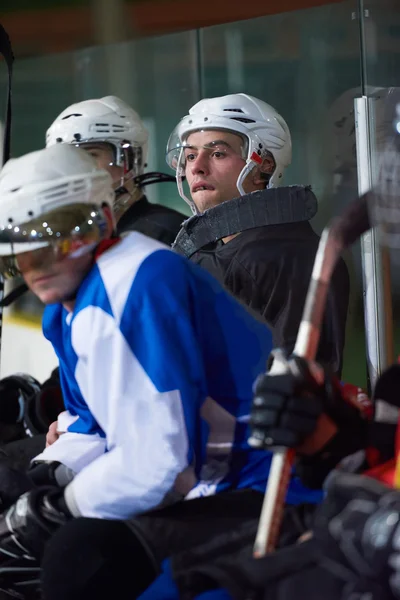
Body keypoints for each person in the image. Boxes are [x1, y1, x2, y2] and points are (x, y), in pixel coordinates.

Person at [0, 143, 323, 600]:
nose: (41, 268)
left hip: (264, 483)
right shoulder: (65, 309)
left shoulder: (141, 282)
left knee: (82, 559)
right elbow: (90, 425)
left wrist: (60, 506)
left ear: (105, 222)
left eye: (63, 237)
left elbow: (161, 462)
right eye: (26, 253)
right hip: (204, 477)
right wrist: (46, 476)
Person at [0, 96, 187, 464]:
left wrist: (69, 422)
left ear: (129, 161)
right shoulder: (78, 245)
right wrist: (50, 406)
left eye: (89, 157)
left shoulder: (156, 239)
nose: (71, 172)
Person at [167, 93, 350, 376]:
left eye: (217, 153)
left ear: (264, 163)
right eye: (190, 155)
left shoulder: (286, 255)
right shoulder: (216, 248)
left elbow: (287, 385)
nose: (196, 166)